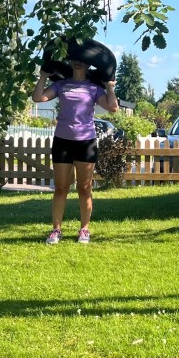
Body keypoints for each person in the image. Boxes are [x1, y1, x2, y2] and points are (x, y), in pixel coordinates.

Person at [32, 60, 119, 244]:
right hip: (62, 141)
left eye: (82, 61)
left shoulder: (94, 88)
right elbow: (38, 98)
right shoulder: (61, 85)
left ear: (89, 64)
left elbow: (113, 108)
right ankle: (56, 230)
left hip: (85, 142)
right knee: (61, 188)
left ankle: (84, 230)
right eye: (75, 60)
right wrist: (43, 76)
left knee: (84, 187)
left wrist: (109, 87)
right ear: (70, 62)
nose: (78, 63)